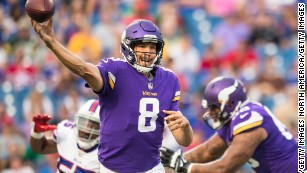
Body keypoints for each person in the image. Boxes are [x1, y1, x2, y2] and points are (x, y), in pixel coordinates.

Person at [30, 18, 193, 173]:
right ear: (128, 47)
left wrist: (185, 127)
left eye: (152, 47)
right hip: (114, 168)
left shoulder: (169, 79)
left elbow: (184, 140)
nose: (148, 52)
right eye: (142, 46)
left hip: (152, 166)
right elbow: (84, 69)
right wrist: (52, 43)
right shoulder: (115, 69)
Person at [160, 76, 300, 173]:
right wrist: (175, 159)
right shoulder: (236, 118)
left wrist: (187, 168)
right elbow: (209, 150)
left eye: (214, 107)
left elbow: (225, 168)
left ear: (231, 103)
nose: (212, 113)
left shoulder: (249, 119)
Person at [30, 99, 101, 172]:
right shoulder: (66, 132)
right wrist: (37, 133)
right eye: (83, 122)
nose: (86, 129)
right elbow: (40, 148)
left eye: (94, 125)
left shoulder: (107, 153)